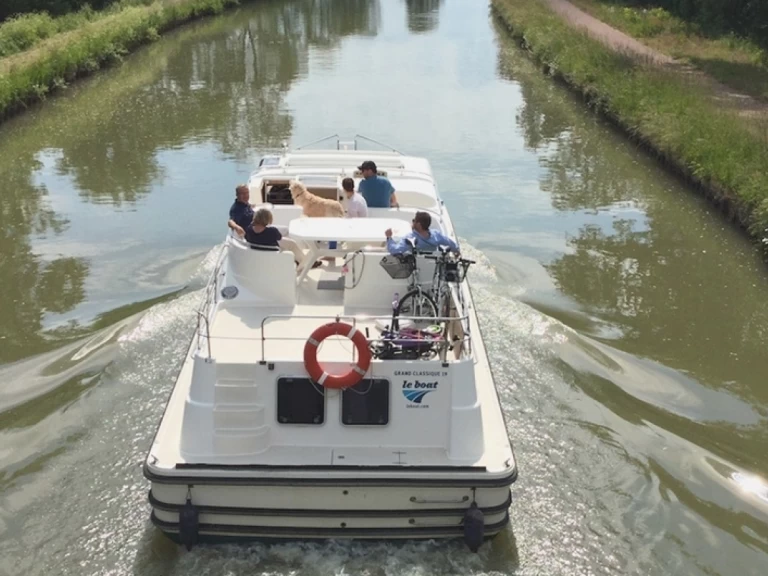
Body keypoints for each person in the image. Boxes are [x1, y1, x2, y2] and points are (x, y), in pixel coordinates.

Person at [248, 208, 322, 270]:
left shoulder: (249, 230)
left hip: (258, 253)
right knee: (292, 244)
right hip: (273, 254)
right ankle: (305, 263)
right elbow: (279, 237)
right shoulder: (272, 231)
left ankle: (301, 260)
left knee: (290, 243)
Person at [385, 211, 459, 255]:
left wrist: (389, 237)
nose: (413, 222)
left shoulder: (410, 238)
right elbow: (451, 244)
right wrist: (456, 252)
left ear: (419, 224)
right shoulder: (436, 235)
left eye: (414, 221)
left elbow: (395, 251)